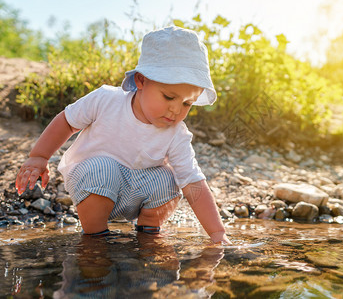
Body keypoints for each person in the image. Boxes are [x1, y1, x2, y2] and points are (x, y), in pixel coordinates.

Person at [15, 26, 231, 244]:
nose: (176, 110)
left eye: (187, 103)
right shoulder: (106, 100)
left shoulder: (176, 133)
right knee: (104, 168)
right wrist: (39, 157)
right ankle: (95, 241)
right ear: (141, 81)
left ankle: (148, 238)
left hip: (138, 192)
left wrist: (217, 233)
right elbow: (67, 121)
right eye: (168, 97)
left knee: (169, 179)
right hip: (94, 183)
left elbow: (193, 183)